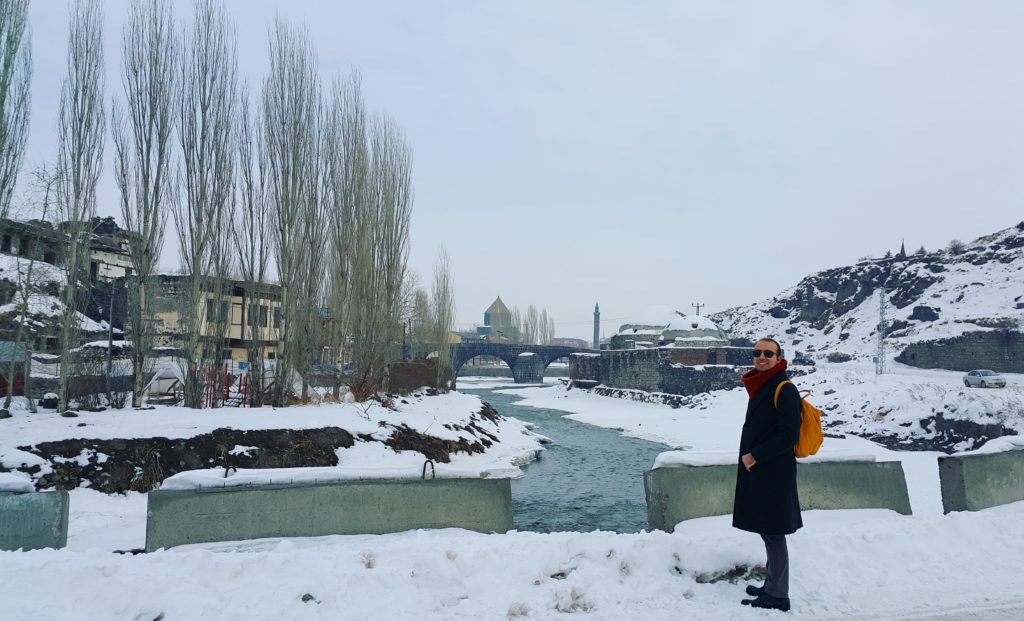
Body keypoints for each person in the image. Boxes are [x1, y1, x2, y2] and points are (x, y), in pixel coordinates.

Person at [732, 337, 802, 612]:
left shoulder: (785, 389)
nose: (761, 357)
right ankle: (772, 585)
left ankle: (778, 595)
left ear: (778, 357)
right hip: (762, 470)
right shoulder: (763, 384)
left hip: (773, 471)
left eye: (768, 353)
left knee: (773, 533)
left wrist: (754, 455)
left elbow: (788, 435)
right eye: (757, 353)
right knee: (767, 530)